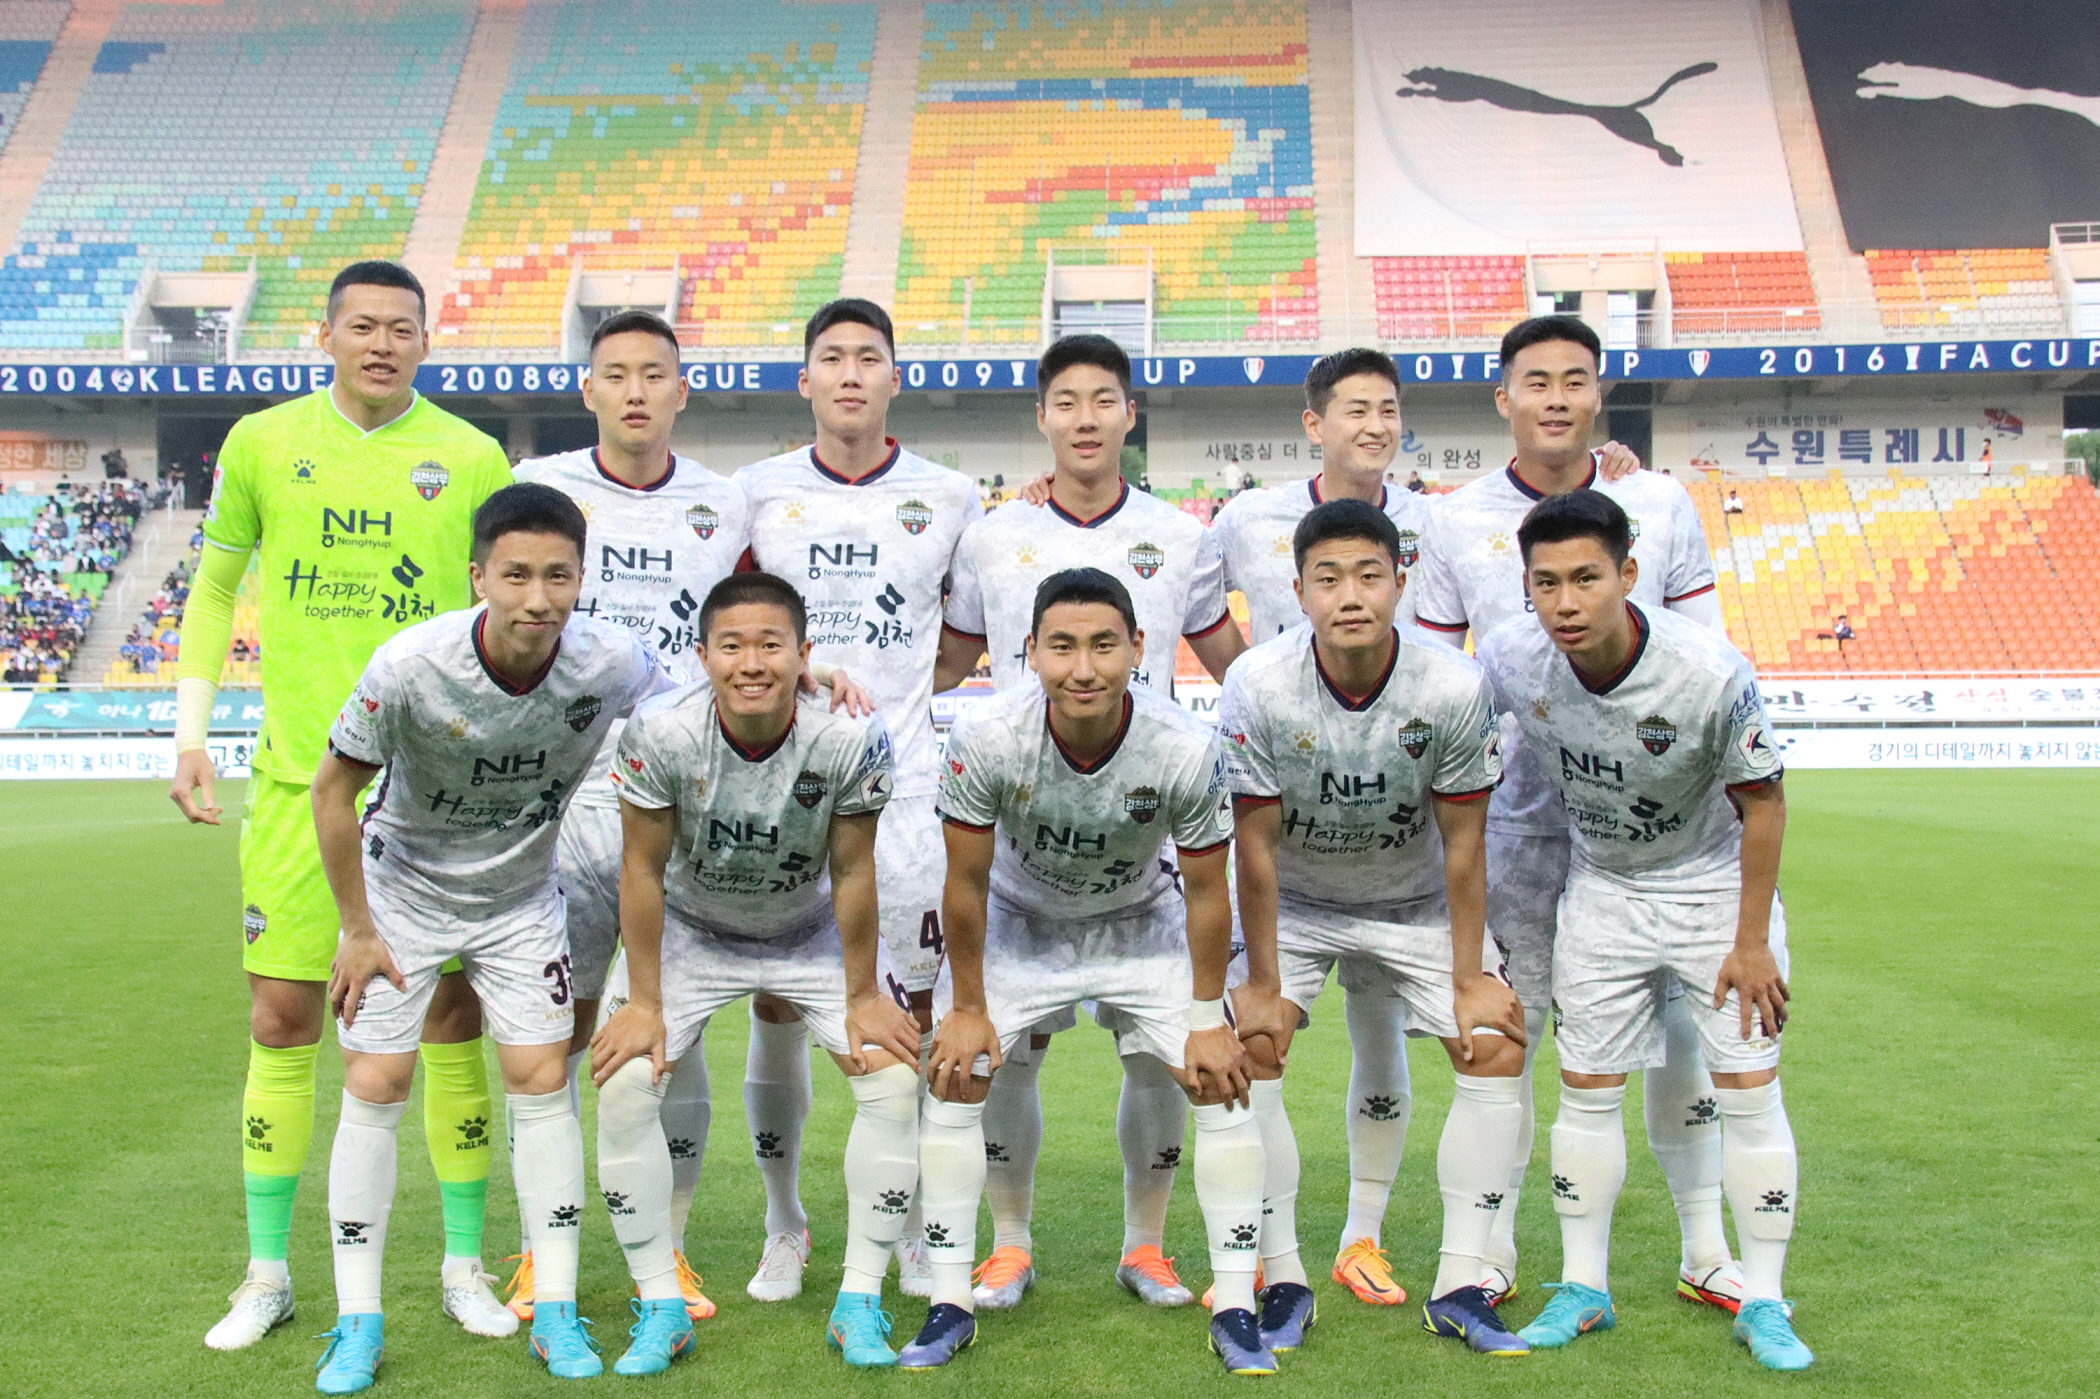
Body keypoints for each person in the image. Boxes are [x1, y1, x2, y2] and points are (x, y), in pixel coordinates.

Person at [170, 261, 516, 1352]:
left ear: (425, 341)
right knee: (282, 1019)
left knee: (450, 1019)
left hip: (433, 795)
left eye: (401, 328)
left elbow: (499, 613)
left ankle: (463, 1264)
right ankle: (267, 1273)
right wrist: (189, 732)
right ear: (325, 336)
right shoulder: (262, 442)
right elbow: (215, 589)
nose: (381, 343)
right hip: (295, 784)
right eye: (361, 325)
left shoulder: (472, 455)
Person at [507, 307, 863, 1322]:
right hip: (569, 800)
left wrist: (809, 669)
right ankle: (541, 1250)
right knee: (562, 1034)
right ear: (588, 389)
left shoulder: (724, 500)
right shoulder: (542, 490)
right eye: (615, 373)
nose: (634, 391)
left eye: (653, 374)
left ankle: (672, 1247)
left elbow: (752, 622)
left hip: (689, 799)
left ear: (681, 390)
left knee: (673, 1029)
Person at [307, 484, 674, 1391]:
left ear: (581, 578)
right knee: (377, 1081)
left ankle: (555, 1309)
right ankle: (357, 1321)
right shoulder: (409, 665)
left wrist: (812, 678)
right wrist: (357, 928)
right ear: (479, 577)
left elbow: (695, 709)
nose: (537, 598)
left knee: (542, 1078)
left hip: (519, 897)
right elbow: (331, 790)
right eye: (516, 575)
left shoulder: (612, 660)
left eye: (558, 575)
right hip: (404, 890)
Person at [1409, 314, 1742, 1310]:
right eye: (1536, 381)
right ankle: (1491, 1247)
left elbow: (1711, 658)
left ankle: (1705, 1248)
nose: (1556, 398)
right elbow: (1438, 679)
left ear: (1601, 392)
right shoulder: (1454, 520)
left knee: (1678, 1036)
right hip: (1516, 825)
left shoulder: (1660, 501)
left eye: (1575, 380)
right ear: (1503, 398)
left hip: (1653, 832)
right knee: (1503, 1035)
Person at [1476, 491, 1810, 1372]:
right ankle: (1584, 1286)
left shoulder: (1707, 670)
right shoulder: (1511, 657)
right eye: (1546, 583)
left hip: (1711, 890)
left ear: (1628, 574)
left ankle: (1764, 1298)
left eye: (1586, 578)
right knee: (1586, 1089)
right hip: (1603, 888)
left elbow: (1765, 802)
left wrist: (1750, 942)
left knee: (1748, 1091)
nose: (1566, 602)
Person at [943, 334, 1243, 1312]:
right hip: (1023, 839)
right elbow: (943, 658)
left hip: (1143, 843)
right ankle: (1009, 1245)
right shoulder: (991, 535)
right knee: (1003, 1057)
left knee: (1158, 1054)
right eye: (1065, 400)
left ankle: (1146, 1247)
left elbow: (1232, 662)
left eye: (1103, 399)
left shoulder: (1181, 535)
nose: (1084, 417)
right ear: (1041, 417)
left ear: (1129, 414)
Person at [912, 567, 1268, 1374]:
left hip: (1139, 920)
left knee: (1216, 1077)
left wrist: (1207, 1016)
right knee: (961, 1074)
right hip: (1020, 919)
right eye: (1063, 646)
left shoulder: (1184, 744)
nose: (1083, 668)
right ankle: (961, 1290)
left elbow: (1208, 890)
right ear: (1030, 651)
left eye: (1104, 645)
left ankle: (1223, 1297)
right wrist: (966, 1005)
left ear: (1137, 647)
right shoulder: (987, 736)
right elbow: (964, 882)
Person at [1218, 499, 1530, 1356]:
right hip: (1299, 903)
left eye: (1368, 575)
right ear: (1298, 592)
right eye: (1327, 578)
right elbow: (1254, 847)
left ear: (1401, 581)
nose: (1349, 595)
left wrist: (1470, 977)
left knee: (1493, 1043)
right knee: (1251, 1044)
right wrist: (1263, 982)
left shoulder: (1453, 685)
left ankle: (1462, 1284)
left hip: (1416, 901)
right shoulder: (1258, 682)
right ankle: (1283, 1278)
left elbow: (1464, 842)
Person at [588, 570, 921, 1371]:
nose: (751, 662)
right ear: (702, 654)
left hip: (807, 929)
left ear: (804, 653)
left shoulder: (849, 736)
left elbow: (853, 870)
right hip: (693, 928)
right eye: (731, 645)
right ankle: (659, 1303)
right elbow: (641, 869)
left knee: (892, 1077)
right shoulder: (661, 729)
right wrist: (643, 1001)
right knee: (625, 1082)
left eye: (771, 644)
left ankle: (859, 1301)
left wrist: (864, 994)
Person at [734, 298, 984, 1301]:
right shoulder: (755, 493)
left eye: (868, 358)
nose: (849, 373)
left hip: (908, 791)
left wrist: (897, 698)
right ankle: (783, 1223)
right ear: (804, 379)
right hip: (779, 787)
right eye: (831, 358)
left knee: (910, 1006)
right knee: (777, 999)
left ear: (894, 378)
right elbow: (724, 628)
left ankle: (911, 1224)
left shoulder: (952, 496)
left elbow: (962, 641)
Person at [1208, 348, 1437, 1305]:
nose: (1375, 426)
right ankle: (1272, 1249)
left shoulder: (1438, 520)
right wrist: (1271, 700)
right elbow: (1198, 615)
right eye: (1355, 409)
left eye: (1389, 409)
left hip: (1397, 835)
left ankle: (1362, 1236)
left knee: (1382, 1035)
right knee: (1255, 1040)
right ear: (1315, 423)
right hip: (1289, 828)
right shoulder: (1246, 519)